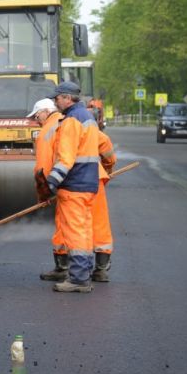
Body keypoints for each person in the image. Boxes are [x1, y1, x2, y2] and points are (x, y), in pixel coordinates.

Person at [41, 81, 101, 293]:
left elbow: (66, 159)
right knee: (83, 231)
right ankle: (83, 273)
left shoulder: (71, 121)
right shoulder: (88, 117)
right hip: (88, 183)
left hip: (74, 185)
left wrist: (51, 183)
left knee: (75, 232)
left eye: (57, 98)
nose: (55, 102)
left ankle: (78, 279)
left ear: (67, 98)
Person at [28, 97, 68, 281]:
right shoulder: (70, 121)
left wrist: (43, 194)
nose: (37, 121)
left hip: (66, 184)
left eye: (37, 116)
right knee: (87, 225)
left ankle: (63, 268)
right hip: (88, 179)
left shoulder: (47, 131)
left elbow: (42, 169)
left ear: (45, 111)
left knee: (63, 225)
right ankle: (94, 269)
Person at [89, 102, 117, 282]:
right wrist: (106, 172)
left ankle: (71, 267)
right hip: (95, 179)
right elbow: (109, 159)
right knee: (99, 222)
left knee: (75, 223)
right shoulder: (99, 136)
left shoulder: (68, 132)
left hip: (72, 182)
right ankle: (100, 269)